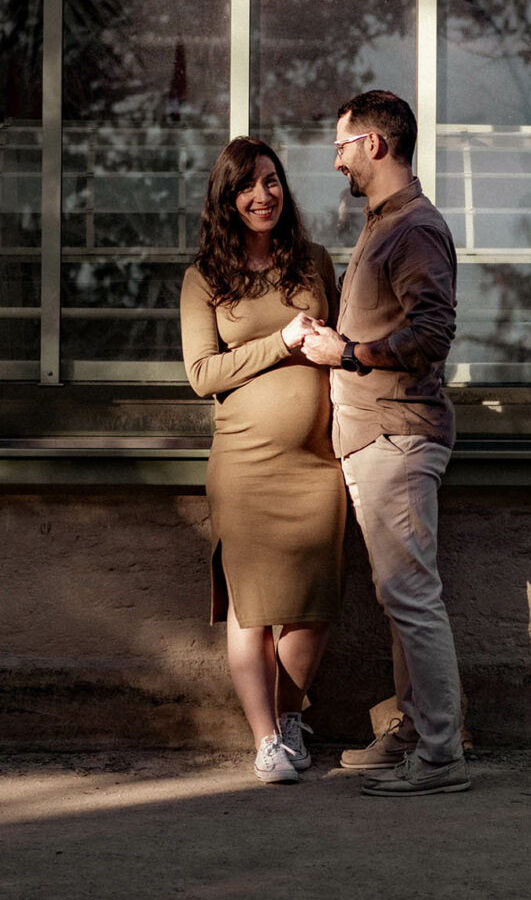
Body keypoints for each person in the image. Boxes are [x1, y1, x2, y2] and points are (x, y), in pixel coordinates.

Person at [301, 90, 470, 796]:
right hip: (377, 436)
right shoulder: (383, 226)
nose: (335, 158)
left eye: (341, 145)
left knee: (411, 596)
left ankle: (438, 756)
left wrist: (345, 353)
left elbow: (430, 338)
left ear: (374, 144)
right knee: (401, 595)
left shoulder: (413, 230)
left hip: (397, 436)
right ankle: (412, 732)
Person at [180, 137, 346, 784]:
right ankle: (266, 740)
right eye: (247, 185)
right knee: (252, 609)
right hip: (244, 463)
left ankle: (287, 714)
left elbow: (340, 344)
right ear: (226, 198)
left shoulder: (313, 263)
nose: (262, 195)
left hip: (316, 462)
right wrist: (281, 341)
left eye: (271, 180)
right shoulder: (204, 279)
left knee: (311, 604)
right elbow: (202, 374)